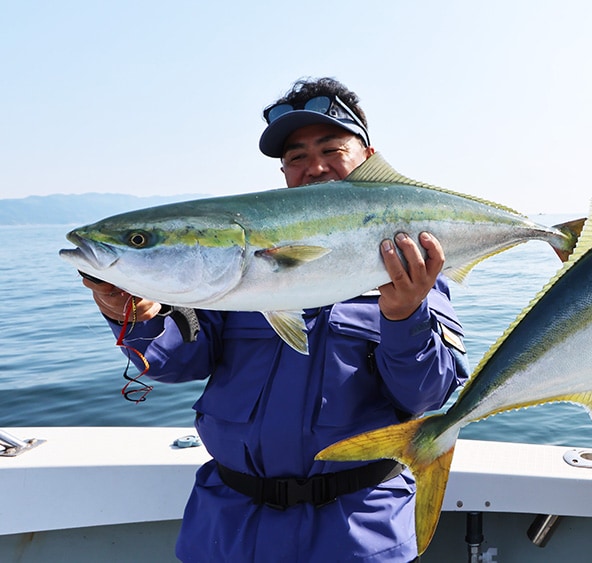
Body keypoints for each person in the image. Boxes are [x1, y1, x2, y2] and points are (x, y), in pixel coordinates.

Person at [80, 77, 469, 562]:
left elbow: (428, 396)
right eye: (297, 157)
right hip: (229, 524)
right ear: (284, 171)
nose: (315, 167)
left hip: (356, 529)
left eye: (332, 148)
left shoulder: (412, 263)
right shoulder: (230, 263)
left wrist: (405, 315)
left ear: (367, 156)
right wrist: (135, 316)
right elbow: (175, 363)